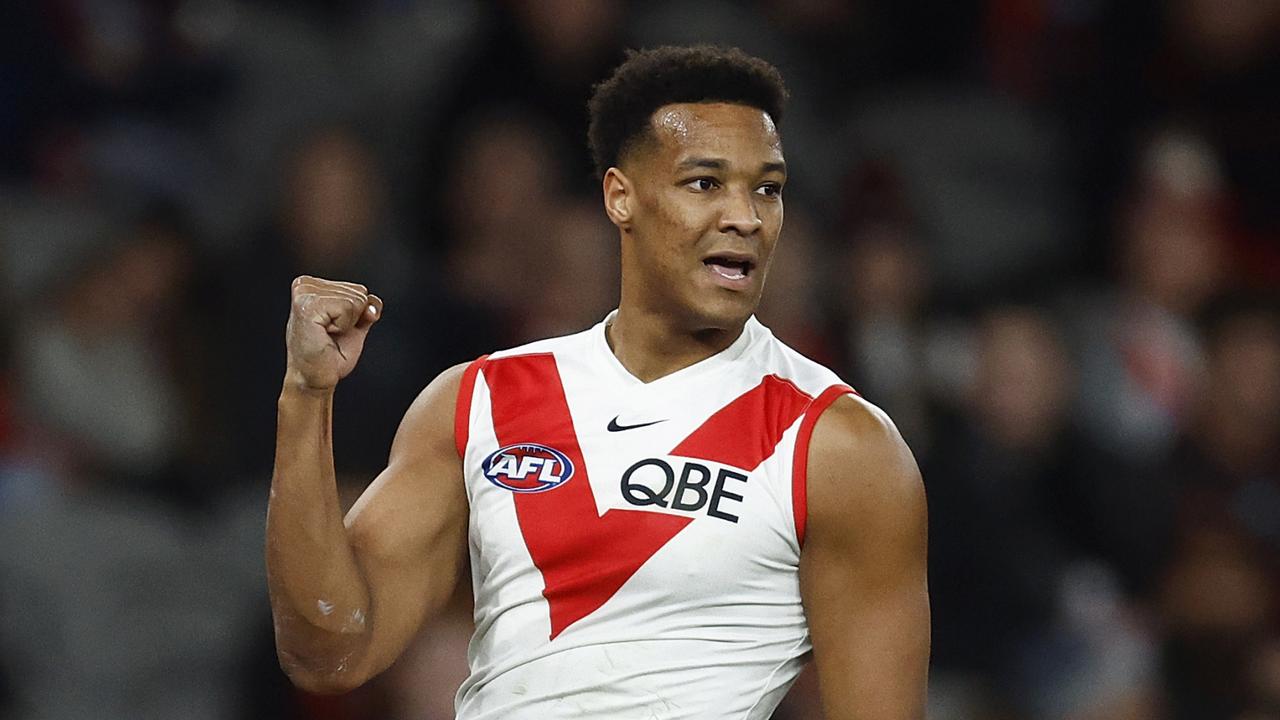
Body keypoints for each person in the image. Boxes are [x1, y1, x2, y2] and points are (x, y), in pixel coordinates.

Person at [266, 45, 929, 719]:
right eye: (705, 183)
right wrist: (305, 398)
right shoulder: (478, 402)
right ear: (620, 197)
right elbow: (329, 654)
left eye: (767, 188)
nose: (745, 217)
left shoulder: (839, 445)